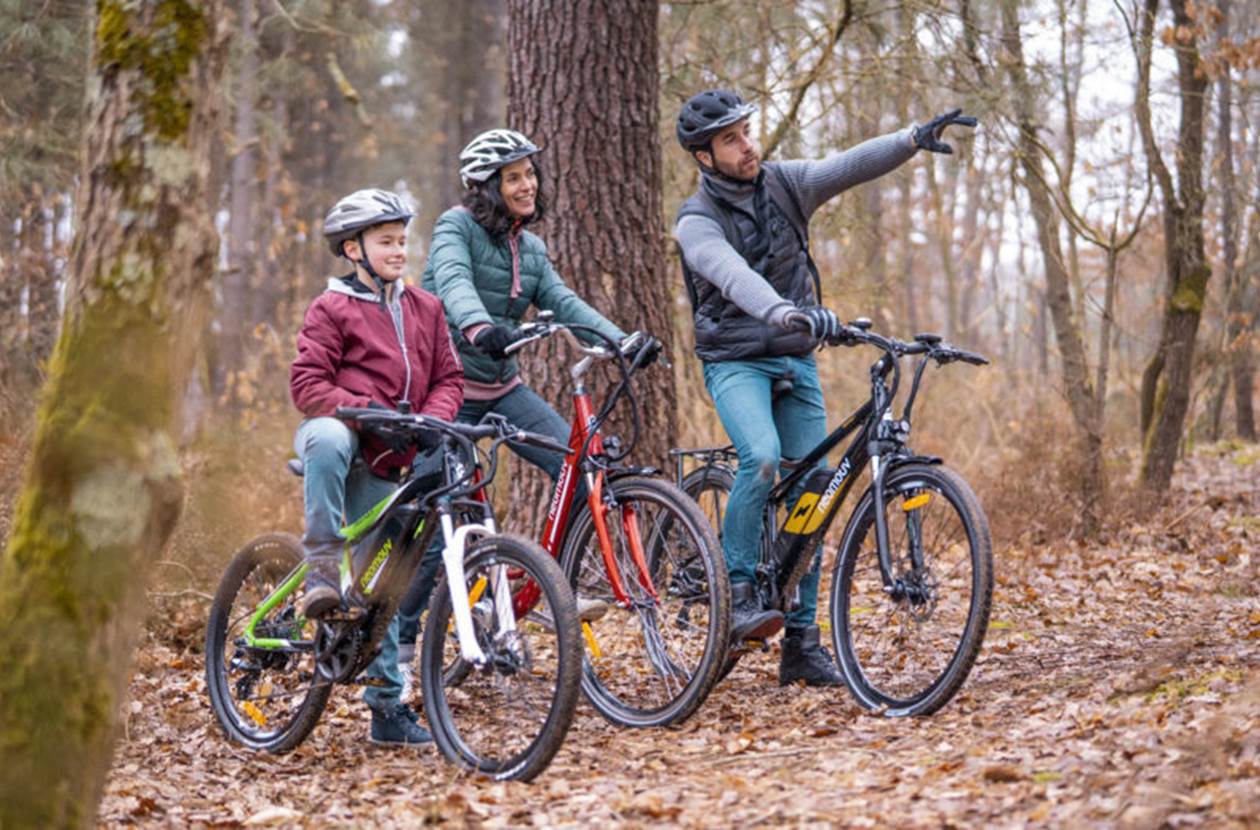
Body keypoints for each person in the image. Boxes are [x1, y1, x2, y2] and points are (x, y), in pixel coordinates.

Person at [673, 89, 976, 686]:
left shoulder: (785, 184)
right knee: (759, 459)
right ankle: (737, 589)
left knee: (819, 487)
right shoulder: (696, 221)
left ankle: (802, 644)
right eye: (731, 139)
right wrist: (784, 311)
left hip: (795, 360)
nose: (747, 145)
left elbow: (846, 164)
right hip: (736, 361)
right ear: (704, 157)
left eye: (747, 132)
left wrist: (911, 139)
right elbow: (730, 276)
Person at [391, 128, 657, 689]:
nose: (527, 184)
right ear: (487, 187)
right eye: (513, 177)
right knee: (440, 526)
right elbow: (456, 283)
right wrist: (477, 325)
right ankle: (402, 642)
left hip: (503, 389)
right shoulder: (454, 227)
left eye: (530, 174)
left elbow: (563, 301)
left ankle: (552, 585)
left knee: (580, 461)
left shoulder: (530, 249)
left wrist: (621, 340)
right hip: (448, 390)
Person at [289, 188, 464, 744]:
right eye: (385, 242)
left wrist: (426, 423)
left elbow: (449, 380)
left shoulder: (425, 308)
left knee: (384, 586)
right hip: (352, 447)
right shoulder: (331, 307)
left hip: (401, 460)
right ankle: (320, 564)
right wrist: (367, 415)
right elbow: (307, 385)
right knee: (323, 434)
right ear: (352, 249)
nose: (398, 250)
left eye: (401, 241)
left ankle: (387, 710)